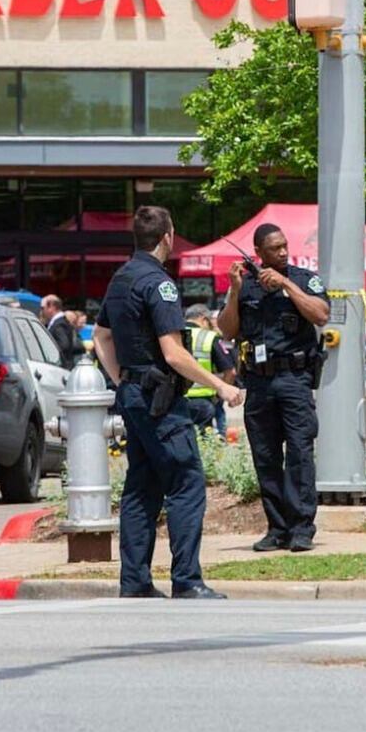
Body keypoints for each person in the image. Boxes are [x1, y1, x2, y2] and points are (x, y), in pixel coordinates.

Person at [92, 206, 244, 600]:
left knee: (141, 487)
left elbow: (100, 337)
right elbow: (174, 354)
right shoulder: (159, 285)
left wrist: (122, 380)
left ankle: (135, 582)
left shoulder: (121, 278)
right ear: (167, 238)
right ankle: (187, 580)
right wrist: (221, 386)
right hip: (159, 402)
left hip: (134, 396)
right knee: (186, 482)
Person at [217, 222, 331, 553]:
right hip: (259, 382)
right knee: (265, 456)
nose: (282, 252)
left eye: (284, 246)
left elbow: (321, 314)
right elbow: (227, 330)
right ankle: (277, 528)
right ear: (259, 253)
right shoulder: (246, 286)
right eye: (274, 249)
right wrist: (235, 291)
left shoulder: (302, 279)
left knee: (299, 453)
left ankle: (301, 528)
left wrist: (286, 285)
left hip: (294, 379)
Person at [184, 304, 237, 436]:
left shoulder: (173, 335)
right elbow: (230, 371)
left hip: (175, 400)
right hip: (203, 400)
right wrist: (221, 394)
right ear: (203, 319)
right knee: (204, 440)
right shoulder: (209, 337)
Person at [40, 294, 76, 368]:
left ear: (52, 307)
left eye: (43, 308)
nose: (42, 311)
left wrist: (49, 352)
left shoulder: (59, 324)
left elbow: (64, 345)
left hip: (61, 367)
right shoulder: (59, 322)